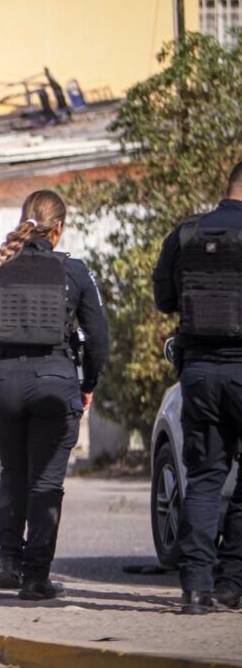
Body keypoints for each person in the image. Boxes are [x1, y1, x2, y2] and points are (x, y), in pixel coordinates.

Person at [0, 190, 109, 601]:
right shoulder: (75, 272)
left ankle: (10, 566)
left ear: (24, 221)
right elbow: (98, 337)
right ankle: (35, 578)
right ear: (59, 228)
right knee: (46, 481)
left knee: (13, 471)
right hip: (54, 380)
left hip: (1, 384)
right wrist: (89, 384)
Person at [153, 162, 242, 615]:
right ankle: (231, 584)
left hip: (200, 373)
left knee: (204, 480)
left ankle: (195, 590)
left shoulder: (185, 235)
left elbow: (164, 299)